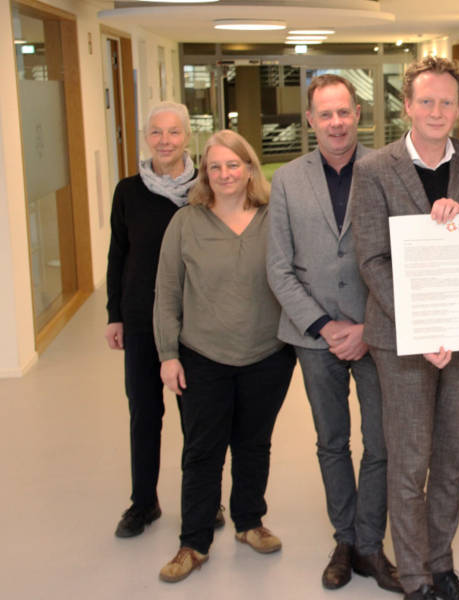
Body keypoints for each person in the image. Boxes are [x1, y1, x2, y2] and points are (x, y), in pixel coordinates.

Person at [350, 56, 459, 600]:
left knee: (452, 459)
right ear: (407, 106)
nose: (436, 111)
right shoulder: (375, 169)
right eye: (426, 101)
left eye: (447, 102)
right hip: (402, 339)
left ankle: (442, 565)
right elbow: (371, 259)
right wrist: (424, 328)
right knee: (410, 459)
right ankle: (416, 577)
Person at [266, 74, 401, 593]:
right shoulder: (287, 180)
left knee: (382, 442)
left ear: (358, 115)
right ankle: (344, 540)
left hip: (376, 331)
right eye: (325, 114)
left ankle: (371, 543)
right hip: (314, 336)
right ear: (310, 120)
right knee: (331, 441)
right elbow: (280, 269)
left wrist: (368, 325)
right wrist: (326, 326)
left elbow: (397, 258)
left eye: (344, 112)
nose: (336, 122)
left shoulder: (386, 171)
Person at [153, 129, 295, 583]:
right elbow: (167, 292)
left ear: (250, 168)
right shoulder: (186, 222)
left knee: (254, 444)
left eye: (233, 164)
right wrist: (168, 353)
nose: (224, 173)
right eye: (215, 166)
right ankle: (193, 543)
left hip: (267, 353)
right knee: (202, 450)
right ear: (205, 173)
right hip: (202, 356)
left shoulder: (276, 217)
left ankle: (250, 522)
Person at [105, 101, 222, 537]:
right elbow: (119, 255)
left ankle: (204, 501)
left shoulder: (206, 187)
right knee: (144, 414)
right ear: (146, 137)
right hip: (139, 321)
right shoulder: (128, 191)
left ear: (187, 136)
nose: (165, 141)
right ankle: (143, 503)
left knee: (197, 418)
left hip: (194, 323)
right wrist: (114, 314)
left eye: (174, 132)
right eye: (156, 132)